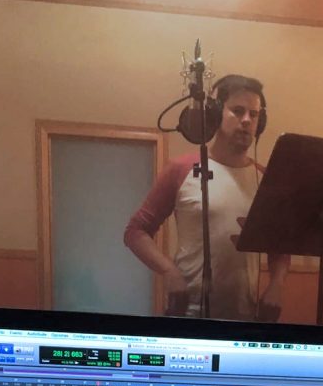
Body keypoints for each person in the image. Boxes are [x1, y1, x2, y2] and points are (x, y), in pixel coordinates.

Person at [124, 74, 289, 321]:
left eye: (254, 114)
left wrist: (277, 284)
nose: (246, 120)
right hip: (187, 315)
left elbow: (280, 244)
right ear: (215, 114)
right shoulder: (180, 169)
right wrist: (168, 271)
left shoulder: (266, 180)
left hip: (245, 317)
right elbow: (136, 231)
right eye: (237, 111)